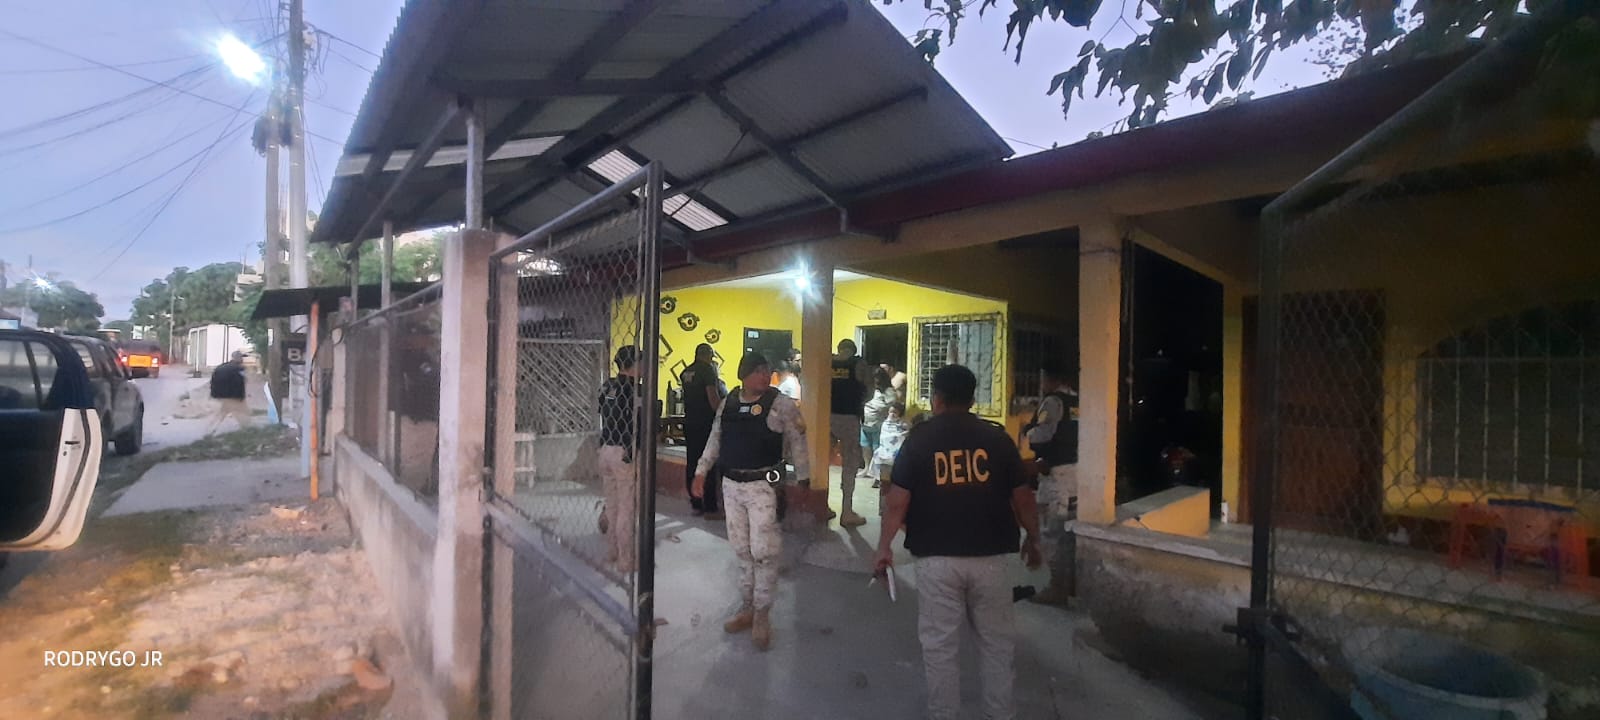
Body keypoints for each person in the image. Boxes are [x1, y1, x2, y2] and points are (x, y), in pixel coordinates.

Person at [874, 365, 1041, 720]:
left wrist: (884, 547)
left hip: (936, 560)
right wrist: (1034, 538)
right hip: (992, 558)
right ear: (972, 399)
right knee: (997, 645)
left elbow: (897, 502)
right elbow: (1024, 498)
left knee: (940, 648)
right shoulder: (997, 440)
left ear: (937, 399)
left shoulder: (919, 440)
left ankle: (944, 714)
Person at [692, 352, 809, 652]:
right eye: (758, 371)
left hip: (763, 488)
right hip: (731, 486)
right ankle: (746, 608)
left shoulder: (781, 403)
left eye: (767, 370)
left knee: (764, 553)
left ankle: (762, 615)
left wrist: (804, 479)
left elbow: (798, 441)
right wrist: (701, 472)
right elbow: (715, 438)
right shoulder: (729, 402)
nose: (765, 375)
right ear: (743, 374)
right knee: (742, 550)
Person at [1023, 364, 1080, 606]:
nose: (1041, 383)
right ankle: (1070, 584)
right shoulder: (1076, 400)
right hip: (1077, 473)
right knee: (1070, 534)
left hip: (1056, 476)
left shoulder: (1053, 402)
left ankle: (1057, 589)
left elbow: (1044, 434)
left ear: (1050, 378)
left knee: (1052, 534)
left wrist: (1027, 432)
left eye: (1043, 378)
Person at [597, 346, 642, 573]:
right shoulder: (635, 389)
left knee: (612, 504)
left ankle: (612, 551)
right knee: (627, 507)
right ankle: (626, 560)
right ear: (634, 365)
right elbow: (640, 423)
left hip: (606, 448)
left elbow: (602, 411)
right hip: (625, 451)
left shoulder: (608, 386)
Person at [829, 339, 873, 527]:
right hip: (849, 417)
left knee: (822, 462)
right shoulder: (859, 364)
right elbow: (869, 392)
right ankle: (847, 511)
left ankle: (822, 505)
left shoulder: (828, 361)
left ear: (840, 349)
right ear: (853, 350)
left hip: (826, 416)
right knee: (850, 463)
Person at [680, 343, 724, 519]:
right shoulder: (707, 370)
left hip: (690, 422)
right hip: (705, 423)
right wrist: (723, 412)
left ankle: (696, 504)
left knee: (692, 462)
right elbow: (713, 398)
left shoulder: (686, 372)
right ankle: (710, 507)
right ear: (708, 355)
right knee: (708, 463)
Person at [860, 366, 895, 484]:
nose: (875, 381)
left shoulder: (888, 391)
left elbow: (892, 406)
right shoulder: (868, 389)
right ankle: (866, 468)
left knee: (877, 448)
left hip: (878, 424)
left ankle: (876, 473)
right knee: (865, 446)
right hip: (865, 423)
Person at [206, 351, 252, 436]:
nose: (243, 359)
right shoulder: (240, 368)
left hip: (217, 395)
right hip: (232, 396)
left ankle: (209, 431)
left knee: (221, 413)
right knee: (244, 413)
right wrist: (241, 397)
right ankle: (248, 431)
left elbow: (212, 381)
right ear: (238, 358)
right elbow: (240, 383)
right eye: (241, 357)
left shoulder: (220, 367)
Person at [872, 401, 907, 499]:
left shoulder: (902, 424)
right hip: (884, 451)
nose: (892, 414)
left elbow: (903, 436)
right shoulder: (885, 424)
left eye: (895, 412)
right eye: (890, 412)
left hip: (896, 452)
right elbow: (884, 437)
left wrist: (901, 434)